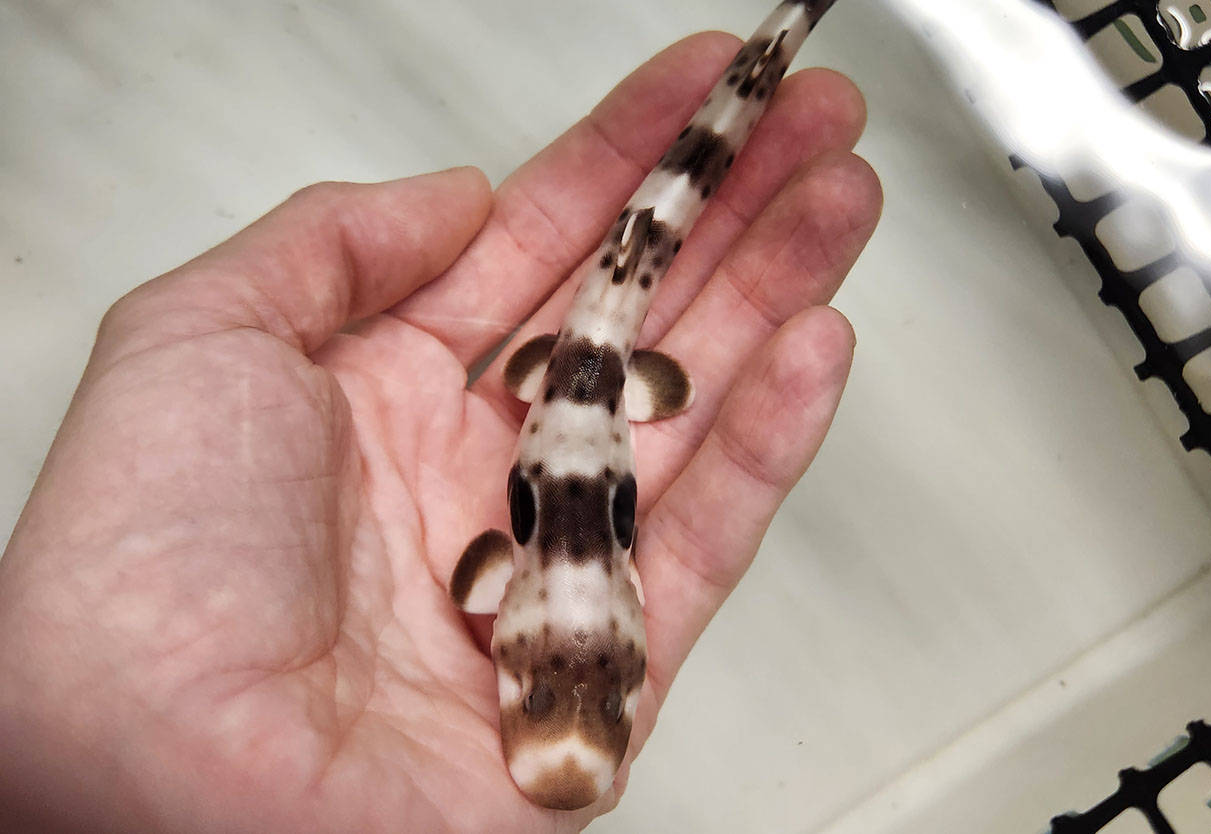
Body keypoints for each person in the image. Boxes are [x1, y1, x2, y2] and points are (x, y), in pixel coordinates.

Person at [0, 32, 879, 833]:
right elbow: (489, 572)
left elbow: (488, 571)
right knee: (643, 255)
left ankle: (772, 53)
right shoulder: (517, 590)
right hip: (585, 379)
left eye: (547, 694)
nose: (568, 707)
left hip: (593, 376)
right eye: (606, 700)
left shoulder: (542, 586)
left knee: (650, 249)